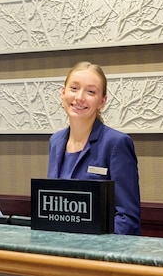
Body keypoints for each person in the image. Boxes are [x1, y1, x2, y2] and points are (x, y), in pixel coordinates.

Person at [47, 62, 142, 235]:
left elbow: (127, 218)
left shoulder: (116, 144)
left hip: (101, 249)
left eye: (90, 92)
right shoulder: (55, 142)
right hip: (58, 247)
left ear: (102, 101)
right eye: (74, 88)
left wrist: (91, 246)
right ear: (63, 92)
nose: (79, 97)